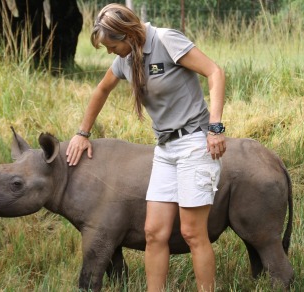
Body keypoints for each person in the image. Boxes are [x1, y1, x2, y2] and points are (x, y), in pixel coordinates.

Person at [66, 3, 226, 292]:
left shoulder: (166, 40)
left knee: (192, 233)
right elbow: (101, 90)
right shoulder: (126, 59)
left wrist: (215, 127)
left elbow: (215, 72)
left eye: (111, 45)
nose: (109, 52)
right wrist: (82, 133)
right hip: (164, 149)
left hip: (194, 142)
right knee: (153, 232)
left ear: (127, 34)